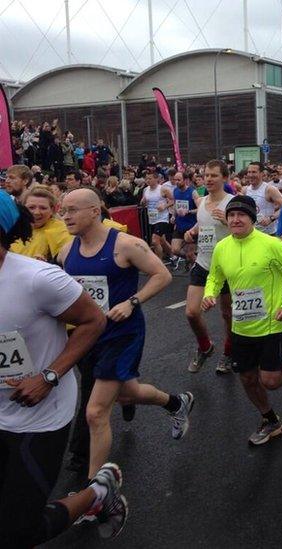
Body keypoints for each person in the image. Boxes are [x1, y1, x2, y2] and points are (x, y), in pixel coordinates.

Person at [0, 190, 128, 547]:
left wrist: (49, 376)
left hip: (37, 415)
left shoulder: (37, 279)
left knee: (17, 533)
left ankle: (97, 493)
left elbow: (92, 321)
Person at [58, 188, 194, 485]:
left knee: (95, 412)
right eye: (63, 211)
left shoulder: (126, 244)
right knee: (126, 393)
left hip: (122, 335)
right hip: (87, 338)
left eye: (72, 210)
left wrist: (132, 301)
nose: (65, 216)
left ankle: (95, 493)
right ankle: (175, 403)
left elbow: (163, 275)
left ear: (95, 211)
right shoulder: (66, 251)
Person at [202, 195, 282, 445]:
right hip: (241, 326)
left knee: (269, 381)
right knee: (247, 378)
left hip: (272, 325)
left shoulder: (272, 245)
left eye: (242, 215)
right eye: (231, 215)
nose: (236, 219)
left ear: (252, 219)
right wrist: (209, 294)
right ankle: (270, 419)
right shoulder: (222, 247)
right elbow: (215, 277)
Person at [184, 160, 234, 374]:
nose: (209, 179)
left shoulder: (233, 203)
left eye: (214, 175)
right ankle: (205, 347)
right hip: (203, 264)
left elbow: (249, 231)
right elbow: (203, 224)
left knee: (228, 314)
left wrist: (227, 221)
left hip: (227, 267)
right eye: (206, 175)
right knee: (191, 313)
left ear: (224, 178)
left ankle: (228, 353)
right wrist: (192, 232)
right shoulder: (202, 201)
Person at [10, 186, 72, 261]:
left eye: (43, 208)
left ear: (52, 210)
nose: (36, 212)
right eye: (31, 207)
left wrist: (49, 263)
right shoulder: (12, 226)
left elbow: (68, 260)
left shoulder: (60, 230)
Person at [141, 170, 175, 260]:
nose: (147, 180)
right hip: (152, 218)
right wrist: (143, 202)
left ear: (156, 179)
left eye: (150, 178)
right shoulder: (146, 190)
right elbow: (144, 202)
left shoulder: (162, 189)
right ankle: (173, 255)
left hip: (162, 218)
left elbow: (173, 200)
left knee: (155, 241)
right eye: (146, 179)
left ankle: (159, 262)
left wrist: (164, 206)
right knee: (162, 241)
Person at [244, 162, 282, 235]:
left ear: (262, 173)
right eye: (249, 172)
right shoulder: (245, 190)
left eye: (254, 172)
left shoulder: (269, 189)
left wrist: (271, 218)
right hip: (251, 234)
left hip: (268, 234)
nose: (250, 175)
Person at [172, 170, 200, 270]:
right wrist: (173, 216)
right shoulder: (175, 191)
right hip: (179, 225)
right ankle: (192, 260)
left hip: (191, 227)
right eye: (175, 180)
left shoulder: (193, 192)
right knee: (175, 250)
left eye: (179, 180)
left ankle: (200, 267)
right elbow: (175, 204)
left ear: (185, 180)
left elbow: (200, 209)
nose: (177, 182)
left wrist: (189, 212)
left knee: (190, 254)